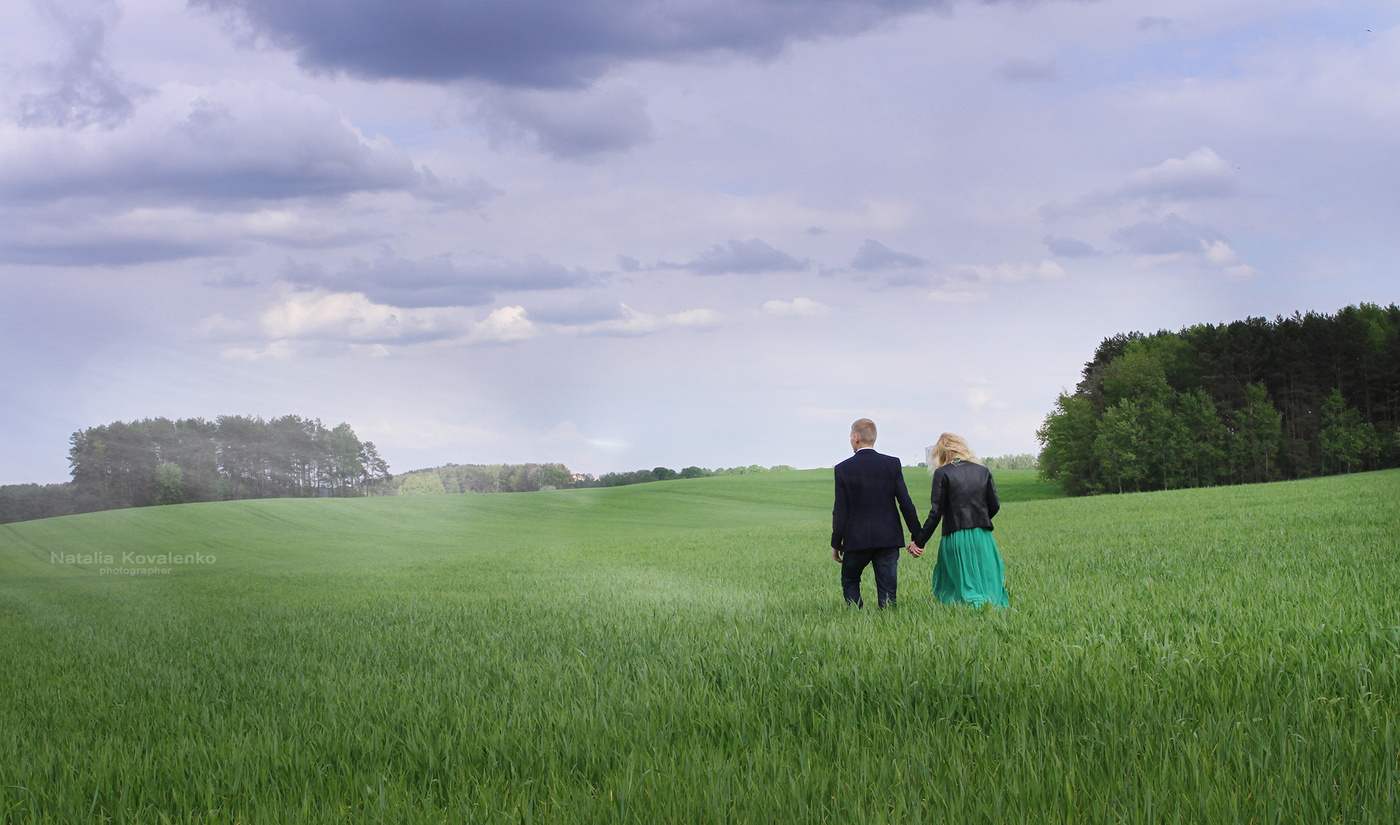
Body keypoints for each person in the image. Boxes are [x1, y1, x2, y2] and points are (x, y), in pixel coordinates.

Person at [907, 432, 1009, 608]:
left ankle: (967, 613)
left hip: (955, 536)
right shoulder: (983, 471)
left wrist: (919, 541)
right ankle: (988, 610)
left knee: (959, 585)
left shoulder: (942, 473)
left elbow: (936, 513)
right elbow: (994, 505)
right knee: (986, 580)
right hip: (982, 536)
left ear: (941, 452)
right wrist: (979, 520)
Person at [831, 418, 922, 608]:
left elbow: (840, 510)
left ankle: (855, 616)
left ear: (856, 437)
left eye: (850, 436)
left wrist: (836, 543)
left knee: (850, 581)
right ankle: (887, 618)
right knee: (888, 591)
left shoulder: (842, 469)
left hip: (856, 539)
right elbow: (905, 503)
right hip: (888, 538)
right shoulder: (892, 464)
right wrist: (917, 535)